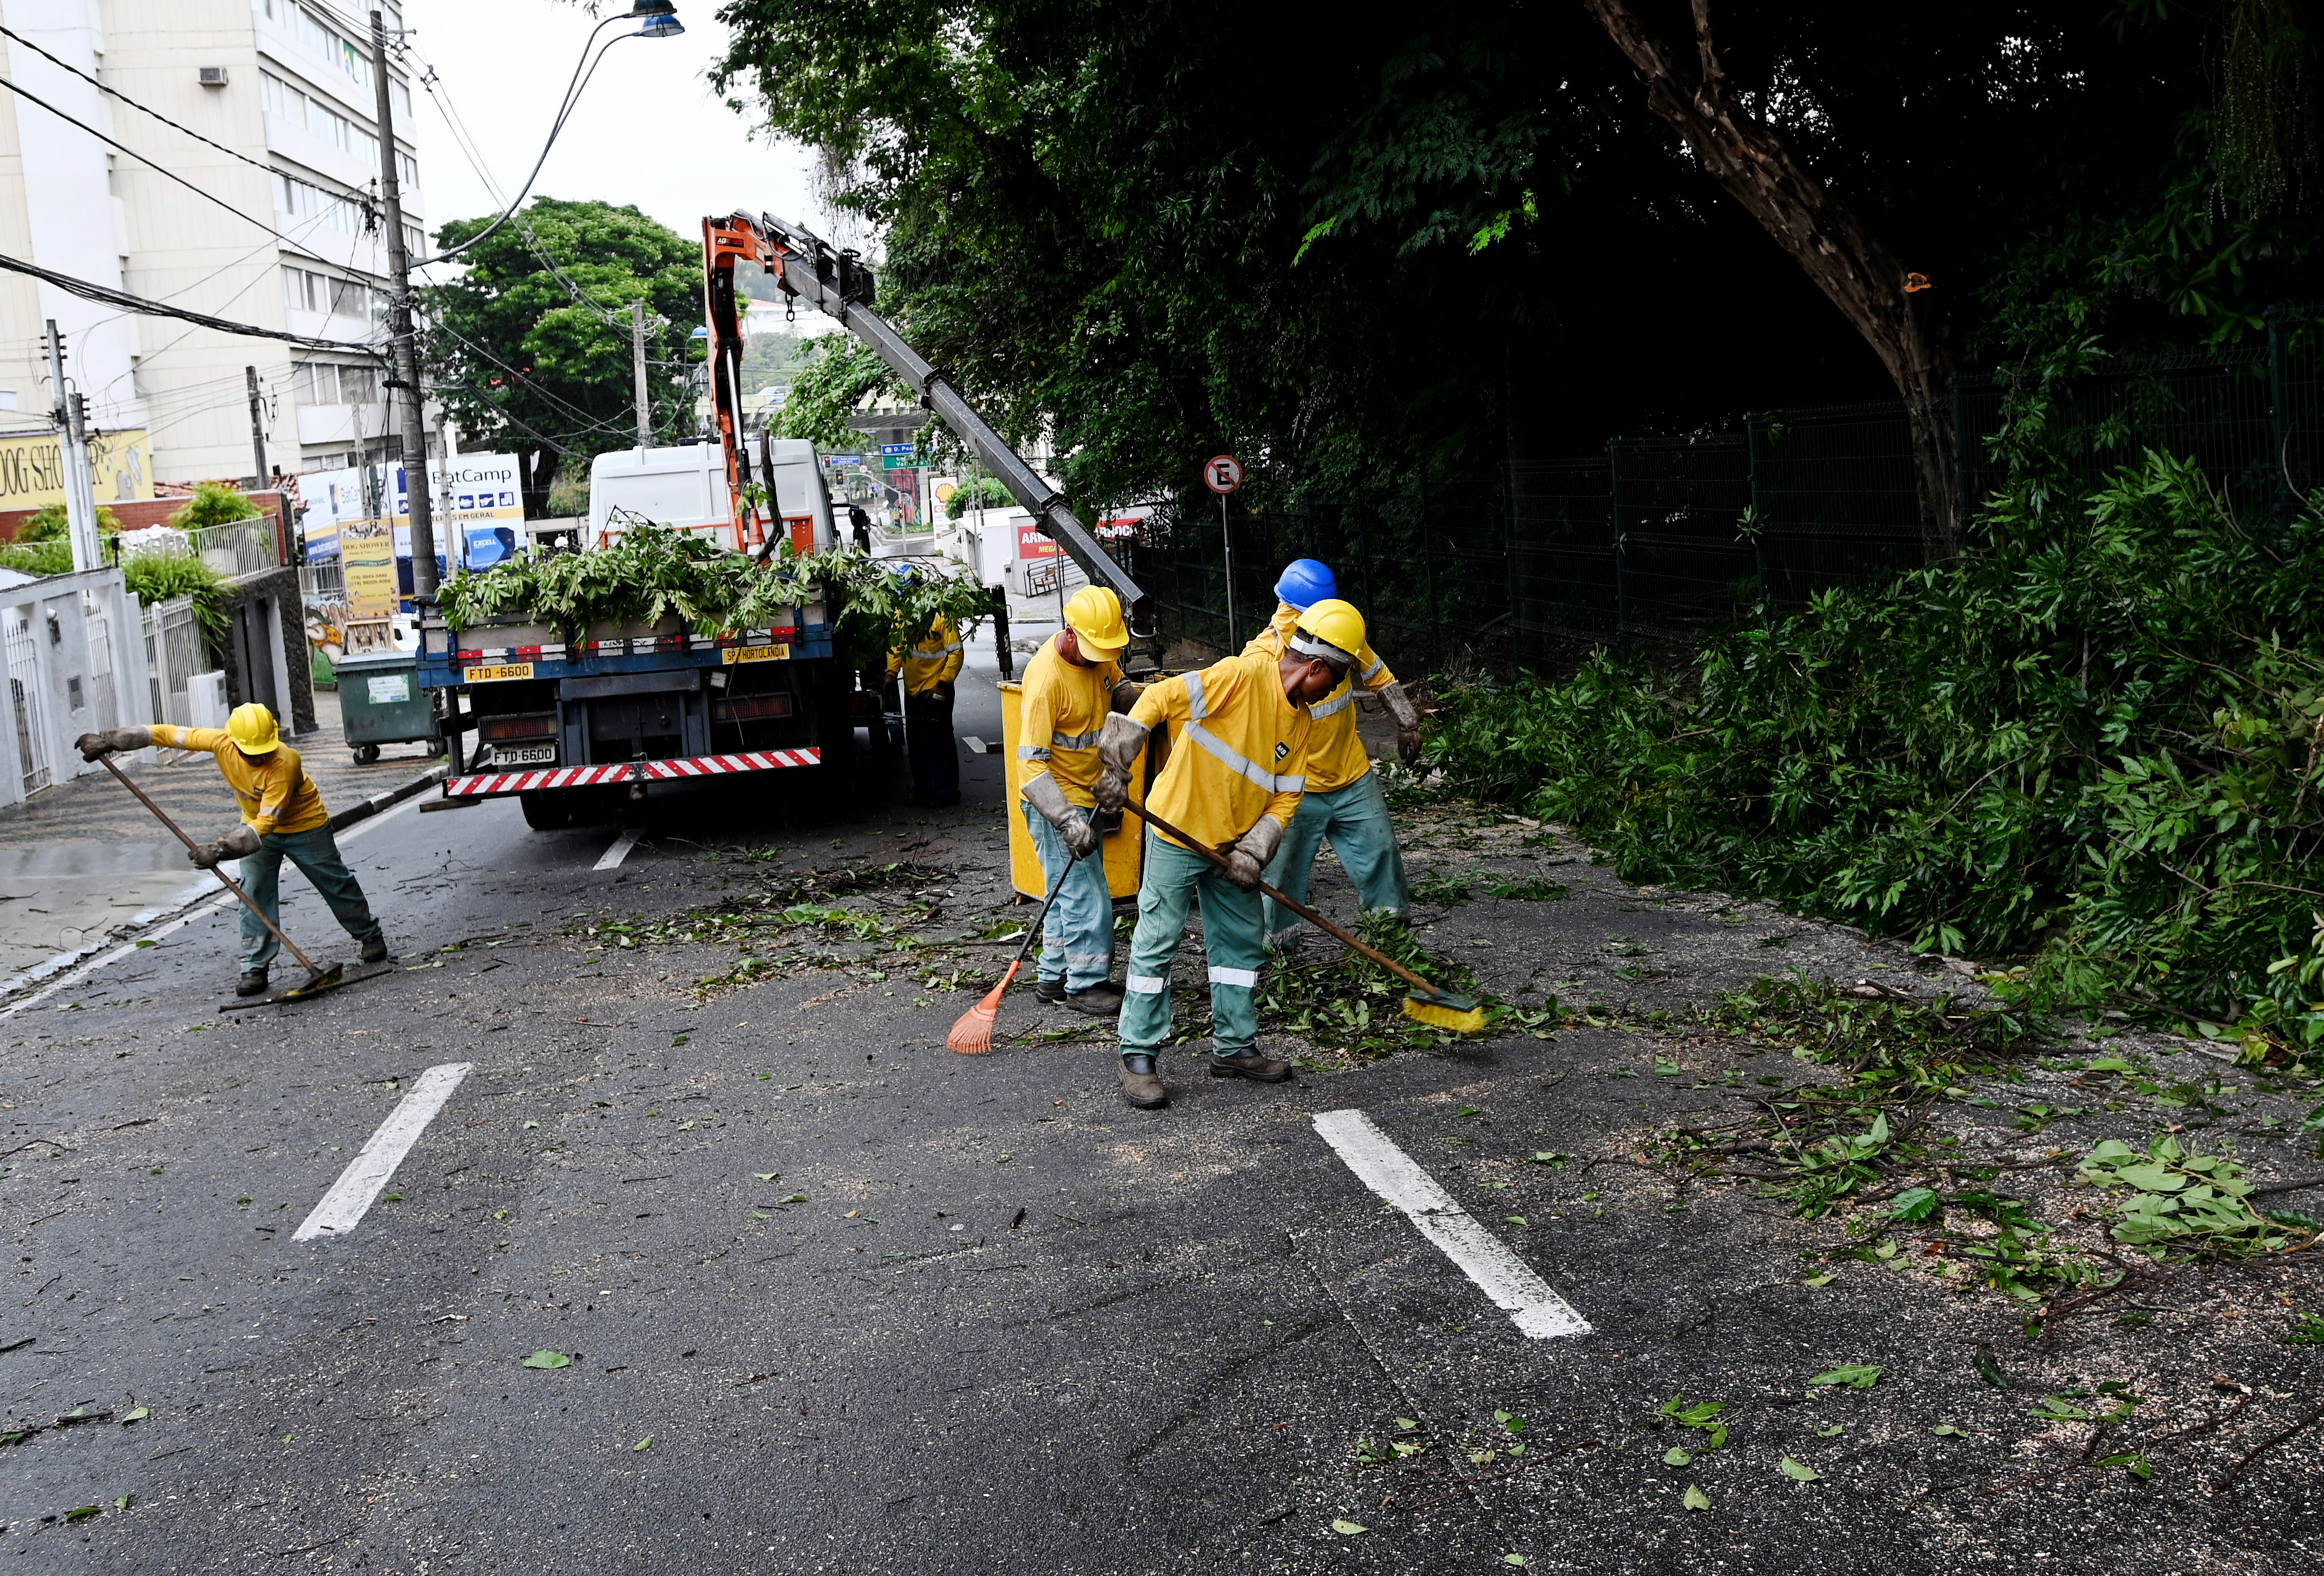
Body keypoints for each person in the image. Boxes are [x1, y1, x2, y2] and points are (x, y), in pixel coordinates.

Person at [1094, 598, 1362, 1109]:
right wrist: (1116, 761)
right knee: (1157, 944)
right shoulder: (1239, 676)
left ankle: (1234, 1047)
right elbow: (1158, 700)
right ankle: (1138, 1055)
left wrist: (1255, 848)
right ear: (1316, 667)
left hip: (1231, 849)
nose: (1338, 689)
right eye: (1340, 676)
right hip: (1177, 832)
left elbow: (1286, 795)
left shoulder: (1302, 722)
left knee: (1240, 948)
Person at [77, 705, 386, 997]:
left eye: (263, 752)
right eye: (249, 753)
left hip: (303, 827)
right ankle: (255, 967)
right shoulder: (220, 742)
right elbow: (168, 734)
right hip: (251, 825)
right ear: (234, 742)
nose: (256, 759)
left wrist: (220, 849)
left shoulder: (286, 761)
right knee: (254, 891)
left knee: (334, 881)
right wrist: (110, 741)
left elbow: (266, 823)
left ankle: (369, 935)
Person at [1242, 559, 1425, 948]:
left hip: (1351, 776)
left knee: (1380, 854)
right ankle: (1278, 953)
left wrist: (1407, 720)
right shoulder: (1261, 658)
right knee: (1282, 876)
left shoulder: (1337, 633)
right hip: (1295, 789)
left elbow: (1377, 672)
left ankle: (1391, 942)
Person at [1016, 586, 1140, 1015]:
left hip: (1088, 793)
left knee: (1064, 890)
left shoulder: (1101, 649)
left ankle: (1053, 975)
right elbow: (1030, 767)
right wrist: (1067, 821)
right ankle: (1085, 984)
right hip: (1055, 802)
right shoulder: (1045, 679)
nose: (1098, 657)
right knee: (1087, 894)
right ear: (1070, 633)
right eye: (1091, 649)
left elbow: (1118, 689)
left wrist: (1149, 700)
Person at [886, 566, 964, 807]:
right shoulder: (902, 615)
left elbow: (956, 653)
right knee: (918, 743)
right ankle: (923, 790)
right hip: (914, 690)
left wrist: (941, 685)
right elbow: (897, 647)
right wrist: (891, 674)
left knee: (939, 741)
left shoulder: (941, 615)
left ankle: (946, 792)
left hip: (936, 689)